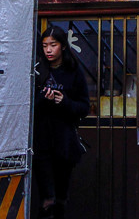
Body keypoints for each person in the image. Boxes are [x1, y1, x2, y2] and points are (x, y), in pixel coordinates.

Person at [33, 25, 90, 219]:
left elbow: (84, 107)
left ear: (63, 46)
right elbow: (26, 104)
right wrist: (44, 98)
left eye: (53, 45)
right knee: (46, 198)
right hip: (41, 144)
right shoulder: (37, 70)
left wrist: (64, 102)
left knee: (60, 198)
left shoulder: (73, 71)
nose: (48, 50)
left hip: (64, 144)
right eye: (45, 45)